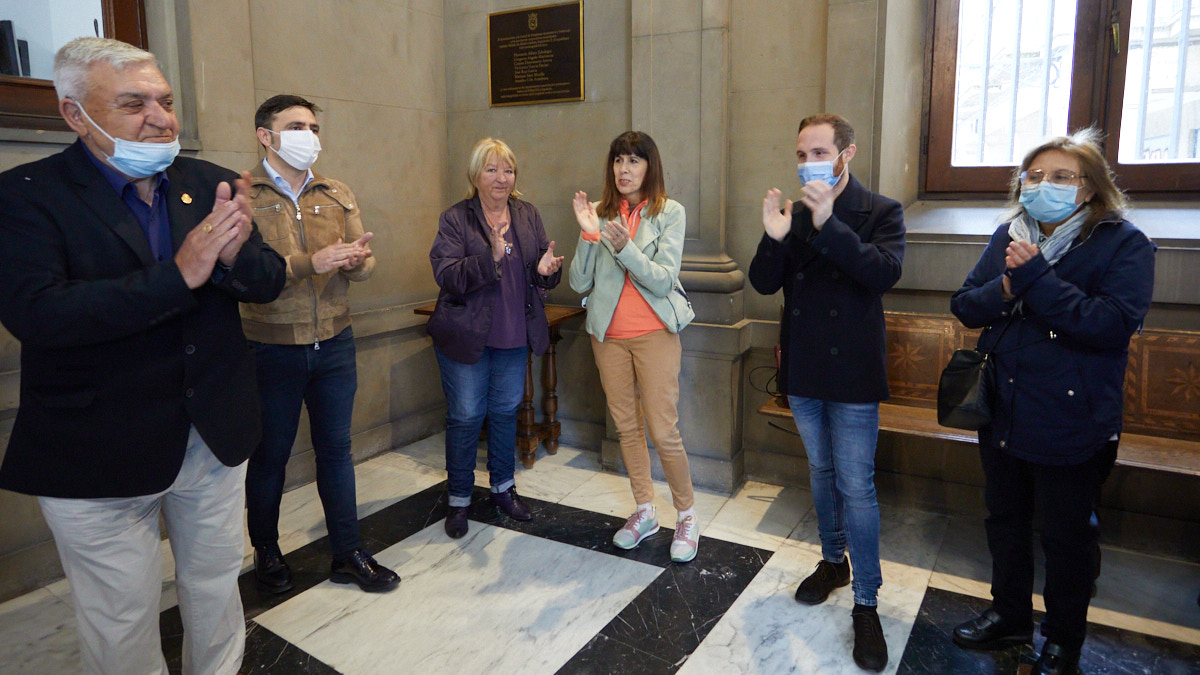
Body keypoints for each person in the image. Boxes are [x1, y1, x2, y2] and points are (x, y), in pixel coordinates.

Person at [0, 38, 285, 674]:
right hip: (97, 447)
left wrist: (236, 255)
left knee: (215, 588)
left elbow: (265, 281)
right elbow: (39, 314)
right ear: (75, 114)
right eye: (133, 104)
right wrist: (179, 275)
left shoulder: (206, 183)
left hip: (209, 436)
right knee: (120, 618)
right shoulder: (25, 195)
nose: (160, 117)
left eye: (165, 100)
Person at [949, 129, 1154, 675]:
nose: (1046, 185)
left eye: (1062, 176)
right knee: (1005, 521)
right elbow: (967, 306)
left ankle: (1064, 641)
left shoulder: (1122, 242)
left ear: (1088, 188)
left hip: (1073, 416)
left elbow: (1110, 325)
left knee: (1067, 538)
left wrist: (1035, 277)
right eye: (1035, 176)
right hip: (1004, 407)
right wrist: (1008, 289)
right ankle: (1009, 615)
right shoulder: (1008, 234)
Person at [748, 113, 905, 671]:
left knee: (856, 485)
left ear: (846, 154)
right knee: (819, 473)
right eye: (800, 153)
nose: (807, 161)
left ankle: (866, 600)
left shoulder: (880, 211)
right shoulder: (791, 215)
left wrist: (828, 222)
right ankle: (832, 560)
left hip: (855, 374)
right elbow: (766, 282)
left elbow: (883, 273)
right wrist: (774, 239)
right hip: (806, 371)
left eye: (818, 150)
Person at [240, 94, 398, 595]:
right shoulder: (243, 194)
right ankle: (266, 551)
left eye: (312, 126)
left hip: (334, 341)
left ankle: (347, 552)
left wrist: (356, 262)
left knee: (336, 451)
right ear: (267, 135)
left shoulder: (335, 191)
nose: (309, 135)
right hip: (271, 345)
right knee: (271, 456)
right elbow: (246, 274)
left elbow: (365, 262)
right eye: (295, 126)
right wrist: (315, 261)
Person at [568, 131, 700, 564]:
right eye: (618, 161)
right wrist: (590, 236)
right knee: (626, 427)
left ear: (649, 167)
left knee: (664, 430)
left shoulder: (669, 213)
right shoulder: (601, 214)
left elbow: (663, 279)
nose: (624, 170)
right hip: (608, 337)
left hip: (656, 335)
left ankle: (686, 515)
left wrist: (625, 248)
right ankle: (645, 511)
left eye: (634, 161)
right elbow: (578, 283)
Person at [427, 138, 563, 539]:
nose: (501, 178)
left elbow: (541, 272)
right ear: (475, 175)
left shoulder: (527, 214)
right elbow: (447, 275)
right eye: (491, 169)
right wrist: (492, 259)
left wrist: (546, 269)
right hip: (466, 336)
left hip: (512, 333)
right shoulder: (456, 219)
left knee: (506, 413)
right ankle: (459, 499)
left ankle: (504, 488)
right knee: (466, 416)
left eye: (508, 170)